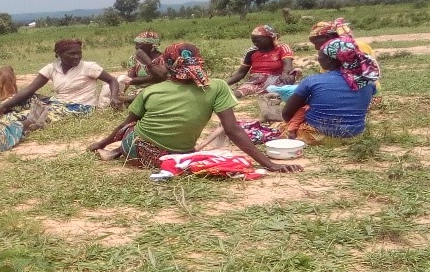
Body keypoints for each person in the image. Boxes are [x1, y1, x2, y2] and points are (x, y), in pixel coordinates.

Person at [88, 42, 301, 174]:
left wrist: (102, 142)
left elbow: (126, 124)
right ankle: (115, 152)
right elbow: (232, 129)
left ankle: (114, 151)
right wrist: (269, 164)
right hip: (181, 154)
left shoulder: (152, 91)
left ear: (169, 65)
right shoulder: (217, 86)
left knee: (130, 128)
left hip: (141, 154)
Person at [0, 39, 120, 124]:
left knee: (18, 117)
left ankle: (3, 120)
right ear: (58, 55)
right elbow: (29, 90)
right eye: (72, 54)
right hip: (57, 102)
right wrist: (3, 105)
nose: (77, 56)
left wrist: (114, 97)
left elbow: (112, 80)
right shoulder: (52, 68)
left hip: (79, 107)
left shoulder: (89, 67)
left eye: (79, 53)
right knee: (17, 100)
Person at [280, 38, 380, 145]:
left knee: (280, 126)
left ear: (330, 60)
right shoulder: (367, 81)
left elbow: (286, 113)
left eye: (320, 55)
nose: (318, 59)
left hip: (318, 135)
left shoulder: (313, 80)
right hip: (355, 135)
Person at [225, 25, 297, 98]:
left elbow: (288, 65)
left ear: (269, 38)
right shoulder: (251, 52)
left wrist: (285, 73)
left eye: (258, 40)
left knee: (293, 74)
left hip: (276, 78)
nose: (255, 43)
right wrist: (224, 84)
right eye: (254, 41)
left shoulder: (282, 48)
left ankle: (275, 91)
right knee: (240, 91)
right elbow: (241, 73)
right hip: (255, 80)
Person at [115, 31, 167, 104]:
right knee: (139, 96)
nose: (136, 47)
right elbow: (130, 80)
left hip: (159, 89)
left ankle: (126, 100)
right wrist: (153, 78)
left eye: (139, 44)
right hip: (139, 90)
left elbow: (161, 77)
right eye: (136, 44)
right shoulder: (134, 59)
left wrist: (145, 58)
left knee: (150, 96)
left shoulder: (163, 58)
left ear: (151, 46)